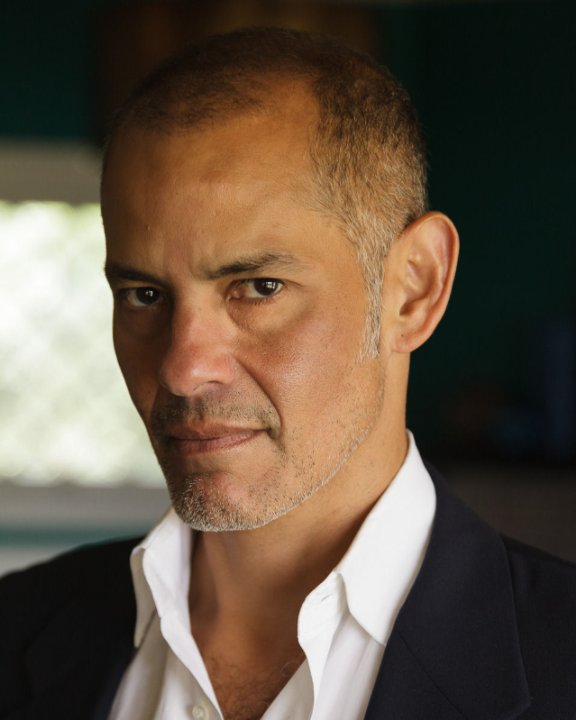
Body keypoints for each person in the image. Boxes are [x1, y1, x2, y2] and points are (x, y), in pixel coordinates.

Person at [1, 27, 575, 720]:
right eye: (144, 295)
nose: (183, 370)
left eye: (258, 287)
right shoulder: (17, 631)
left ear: (413, 289)